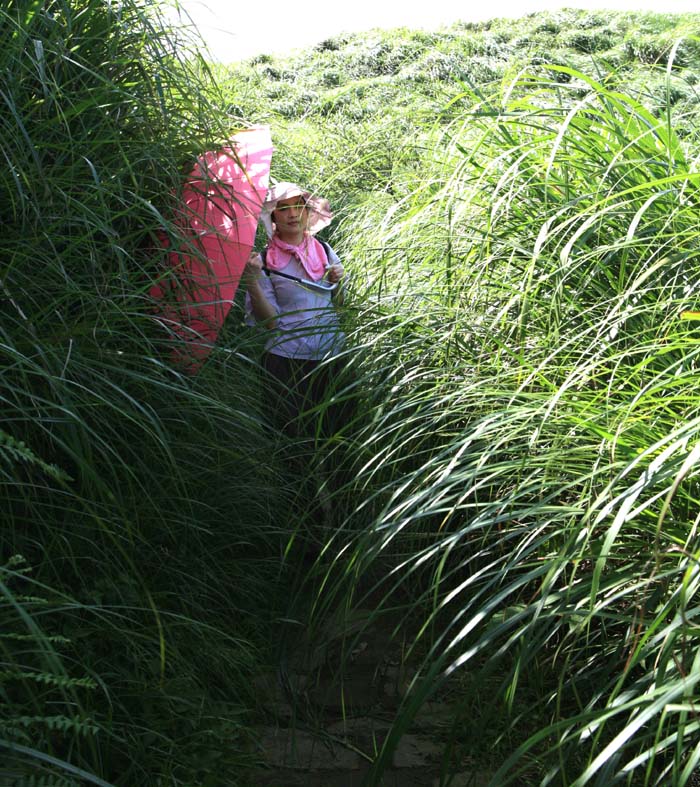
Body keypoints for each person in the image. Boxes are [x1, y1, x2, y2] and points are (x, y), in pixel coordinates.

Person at [243, 182, 348, 440]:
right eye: (283, 208)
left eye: (298, 206)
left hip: (331, 356)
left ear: (308, 211)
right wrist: (252, 281)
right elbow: (270, 323)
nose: (292, 214)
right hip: (285, 361)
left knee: (336, 432)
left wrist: (338, 281)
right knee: (290, 437)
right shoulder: (264, 262)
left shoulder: (325, 251)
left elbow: (340, 306)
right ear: (273, 217)